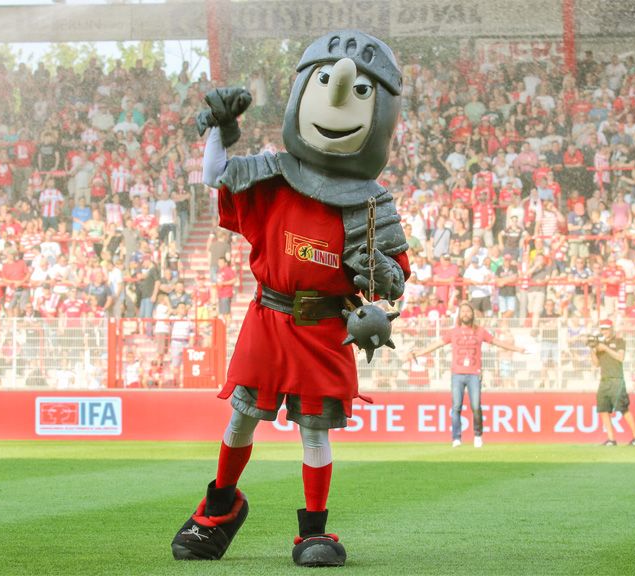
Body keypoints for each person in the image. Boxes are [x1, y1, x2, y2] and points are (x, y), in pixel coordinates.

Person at [171, 31, 410, 568]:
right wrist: (219, 130)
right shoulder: (275, 175)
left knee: (315, 432)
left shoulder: (371, 205)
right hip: (269, 316)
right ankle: (217, 509)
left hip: (324, 329)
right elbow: (215, 175)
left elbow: (394, 276)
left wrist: (381, 278)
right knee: (239, 420)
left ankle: (314, 534)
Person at [407, 302, 527, 447]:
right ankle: (456, 438)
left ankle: (478, 435)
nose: (465, 314)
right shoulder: (453, 331)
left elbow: (497, 342)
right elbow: (437, 344)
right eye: (463, 311)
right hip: (457, 374)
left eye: (468, 311)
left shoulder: (480, 331)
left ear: (472, 314)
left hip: (474, 374)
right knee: (456, 406)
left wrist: (517, 349)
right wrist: (419, 353)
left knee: (476, 406)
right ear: (459, 315)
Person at [591, 319, 635, 446]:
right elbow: (596, 364)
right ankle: (611, 439)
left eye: (606, 329)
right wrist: (593, 351)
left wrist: (606, 348)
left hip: (616, 379)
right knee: (603, 410)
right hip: (604, 380)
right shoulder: (599, 344)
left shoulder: (619, 341)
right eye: (602, 329)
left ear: (612, 328)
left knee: (623, 409)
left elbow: (620, 358)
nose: (604, 331)